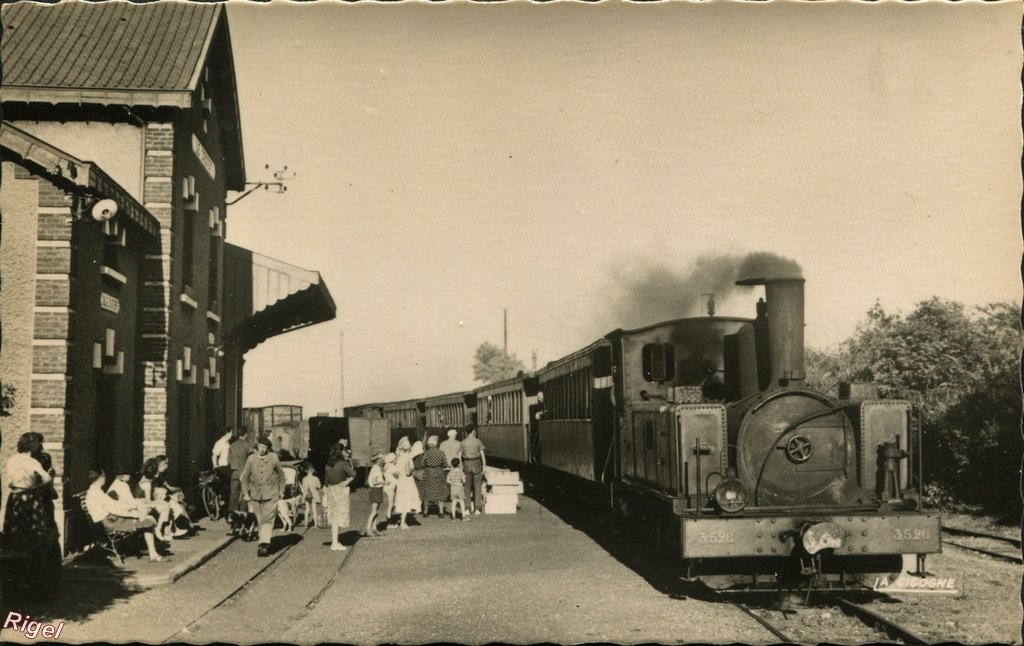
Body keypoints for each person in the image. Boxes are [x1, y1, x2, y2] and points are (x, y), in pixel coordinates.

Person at [84, 467, 163, 562]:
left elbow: (115, 505)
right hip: (110, 523)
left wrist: (132, 509)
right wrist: (136, 515)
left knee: (145, 519)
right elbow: (114, 509)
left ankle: (151, 551)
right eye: (104, 476)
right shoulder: (96, 494)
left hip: (111, 520)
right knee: (147, 521)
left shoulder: (96, 491)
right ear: (100, 477)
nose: (105, 478)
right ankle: (153, 553)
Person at [239, 437, 285, 557]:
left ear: (268, 448)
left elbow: (281, 475)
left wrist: (282, 490)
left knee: (267, 519)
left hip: (272, 493)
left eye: (265, 448)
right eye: (260, 447)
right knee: (260, 520)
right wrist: (245, 493)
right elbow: (245, 477)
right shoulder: (251, 459)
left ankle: (263, 544)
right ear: (257, 446)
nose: (262, 450)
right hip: (255, 495)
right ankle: (264, 542)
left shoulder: (274, 458)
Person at [107, 464, 172, 541]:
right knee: (149, 516)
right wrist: (142, 506)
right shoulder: (121, 486)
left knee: (150, 510)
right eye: (127, 474)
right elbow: (128, 502)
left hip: (125, 508)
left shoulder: (120, 484)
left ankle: (158, 532)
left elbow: (130, 501)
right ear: (121, 475)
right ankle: (157, 533)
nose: (129, 476)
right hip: (123, 512)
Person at [142, 456, 191, 537]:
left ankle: (177, 529)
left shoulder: (160, 475)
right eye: (166, 463)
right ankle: (172, 530)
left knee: (175, 503)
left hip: (160, 497)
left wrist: (177, 490)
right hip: (153, 500)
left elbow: (167, 488)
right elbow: (152, 493)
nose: (167, 466)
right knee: (173, 504)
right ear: (161, 464)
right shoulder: (151, 477)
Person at [323, 443, 356, 551]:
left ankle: (335, 541)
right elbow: (353, 474)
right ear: (340, 452)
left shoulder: (328, 465)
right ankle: (335, 543)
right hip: (341, 492)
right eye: (343, 450)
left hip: (331, 492)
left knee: (334, 519)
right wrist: (346, 482)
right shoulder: (343, 464)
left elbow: (326, 482)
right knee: (339, 518)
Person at [392, 437, 420, 530]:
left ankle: (402, 521)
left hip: (401, 480)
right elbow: (408, 472)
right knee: (407, 500)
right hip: (407, 481)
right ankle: (403, 523)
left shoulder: (399, 457)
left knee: (403, 500)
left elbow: (395, 471)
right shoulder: (407, 458)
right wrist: (413, 469)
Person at [419, 435, 450, 517]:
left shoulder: (426, 453)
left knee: (427, 491)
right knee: (440, 491)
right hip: (439, 472)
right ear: (436, 443)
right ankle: (441, 512)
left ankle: (425, 512)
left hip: (429, 472)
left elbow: (422, 464)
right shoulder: (441, 453)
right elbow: (445, 464)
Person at [460, 426, 487, 514]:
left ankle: (467, 508)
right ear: (473, 431)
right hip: (476, 464)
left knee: (466, 487)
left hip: (466, 464)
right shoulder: (478, 441)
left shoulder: (463, 442)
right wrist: (484, 466)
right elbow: (482, 455)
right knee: (477, 486)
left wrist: (461, 466)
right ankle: (477, 508)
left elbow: (459, 456)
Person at [227, 426, 252, 513]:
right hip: (244, 473)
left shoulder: (232, 446)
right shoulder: (247, 445)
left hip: (234, 472)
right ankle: (242, 513)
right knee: (245, 493)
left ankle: (231, 515)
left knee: (234, 494)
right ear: (245, 434)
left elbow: (228, 460)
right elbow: (251, 460)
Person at [363, 452, 386, 537]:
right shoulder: (375, 469)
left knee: (377, 511)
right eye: (382, 459)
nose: (383, 460)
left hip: (378, 490)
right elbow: (375, 482)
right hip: (375, 490)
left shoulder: (377, 468)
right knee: (374, 511)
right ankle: (368, 529)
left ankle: (374, 528)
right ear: (378, 460)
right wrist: (384, 482)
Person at [211, 428, 233, 506]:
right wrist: (215, 466)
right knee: (226, 485)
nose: (232, 434)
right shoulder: (220, 443)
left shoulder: (227, 443)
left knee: (229, 486)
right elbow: (214, 455)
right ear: (226, 433)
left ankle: (225, 502)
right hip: (223, 467)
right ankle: (223, 502)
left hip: (228, 466)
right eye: (231, 432)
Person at [299, 462, 323, 529]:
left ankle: (306, 524)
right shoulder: (315, 478)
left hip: (306, 495)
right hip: (313, 495)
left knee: (307, 509)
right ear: (312, 471)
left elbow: (303, 487)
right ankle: (315, 524)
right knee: (314, 509)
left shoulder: (304, 479)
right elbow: (318, 486)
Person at [446, 457, 469, 521]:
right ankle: (463, 516)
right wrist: (462, 483)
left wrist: (452, 483)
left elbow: (447, 480)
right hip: (459, 488)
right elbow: (464, 480)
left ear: (452, 464)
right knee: (461, 502)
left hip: (453, 488)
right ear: (459, 464)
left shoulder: (450, 472)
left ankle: (453, 517)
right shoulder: (461, 472)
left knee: (454, 502)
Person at [382, 452, 399, 527]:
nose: (396, 459)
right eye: (395, 458)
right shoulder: (392, 466)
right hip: (391, 486)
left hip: (389, 486)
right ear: (392, 460)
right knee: (391, 504)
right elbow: (397, 473)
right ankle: (389, 522)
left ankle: (390, 519)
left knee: (391, 504)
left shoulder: (387, 466)